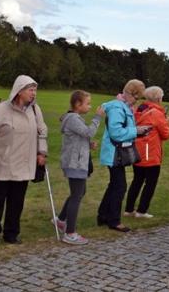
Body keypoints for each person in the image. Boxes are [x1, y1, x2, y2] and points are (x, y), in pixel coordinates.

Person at [0, 75, 48, 248]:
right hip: (1, 163)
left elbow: (42, 131)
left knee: (16, 202)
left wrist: (42, 152)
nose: (34, 93)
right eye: (30, 90)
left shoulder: (35, 110)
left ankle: (11, 233)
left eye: (35, 90)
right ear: (19, 91)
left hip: (23, 164)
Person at [97, 79, 150, 232]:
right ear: (130, 93)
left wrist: (138, 131)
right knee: (120, 187)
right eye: (136, 98)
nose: (136, 101)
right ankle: (114, 221)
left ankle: (103, 216)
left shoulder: (122, 106)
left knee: (114, 185)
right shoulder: (117, 108)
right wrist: (136, 131)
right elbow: (116, 132)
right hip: (114, 152)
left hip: (115, 152)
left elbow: (123, 130)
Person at [55, 90, 103, 245]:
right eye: (88, 103)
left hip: (77, 162)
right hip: (74, 163)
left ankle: (61, 220)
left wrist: (88, 145)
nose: (90, 106)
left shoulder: (75, 118)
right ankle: (70, 233)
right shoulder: (73, 119)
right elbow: (89, 132)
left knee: (80, 192)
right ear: (77, 104)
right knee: (76, 195)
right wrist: (97, 117)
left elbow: (79, 138)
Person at [125, 86, 169, 219]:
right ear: (158, 98)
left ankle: (129, 209)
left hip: (137, 150)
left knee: (137, 180)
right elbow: (166, 134)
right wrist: (166, 122)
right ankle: (142, 210)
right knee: (150, 183)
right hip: (150, 152)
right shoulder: (156, 113)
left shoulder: (138, 109)